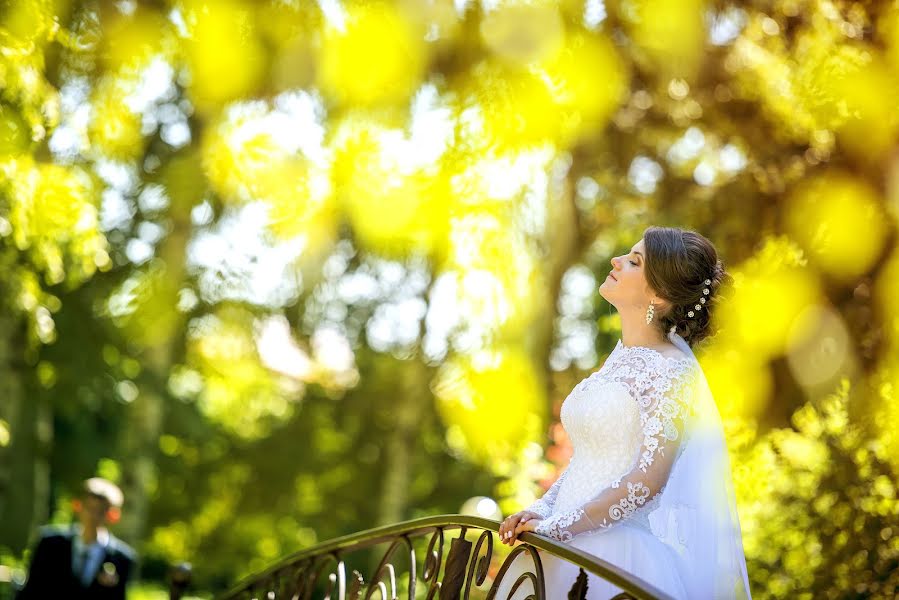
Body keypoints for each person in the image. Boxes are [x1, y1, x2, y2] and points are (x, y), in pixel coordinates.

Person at [495, 226, 752, 599]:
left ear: (660, 295)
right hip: (559, 547)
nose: (617, 260)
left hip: (615, 558)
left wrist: (561, 528)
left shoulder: (672, 371)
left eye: (634, 261)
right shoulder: (618, 361)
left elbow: (648, 478)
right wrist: (540, 512)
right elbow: (587, 462)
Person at [17, 477, 137, 599]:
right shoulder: (50, 543)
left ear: (113, 515)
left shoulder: (122, 559)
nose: (93, 516)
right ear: (77, 506)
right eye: (89, 508)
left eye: (100, 511)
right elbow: (31, 590)